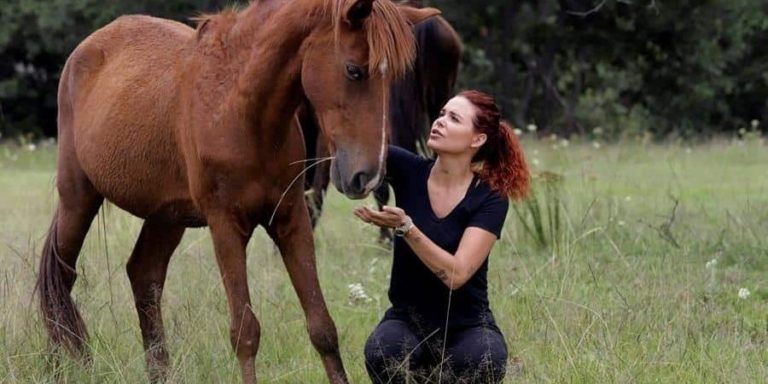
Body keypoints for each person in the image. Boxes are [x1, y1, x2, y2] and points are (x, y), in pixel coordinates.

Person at [354, 90, 530, 383]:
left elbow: (456, 274)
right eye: (442, 114)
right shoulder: (405, 168)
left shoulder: (490, 197)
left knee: (483, 359)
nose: (440, 122)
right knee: (383, 351)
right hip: (407, 321)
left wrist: (407, 229)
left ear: (477, 139)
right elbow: (356, 153)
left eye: (454, 118)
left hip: (468, 326)